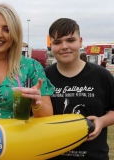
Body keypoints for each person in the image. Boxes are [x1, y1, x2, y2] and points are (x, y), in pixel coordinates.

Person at [45, 18, 114, 160]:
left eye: (70, 40)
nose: (64, 46)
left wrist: (102, 121)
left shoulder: (102, 76)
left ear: (80, 41)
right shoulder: (43, 77)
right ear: (51, 45)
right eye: (57, 42)